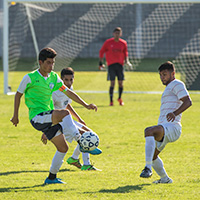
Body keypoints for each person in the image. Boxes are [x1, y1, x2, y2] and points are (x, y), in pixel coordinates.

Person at [10, 47, 102, 185]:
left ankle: (51, 178)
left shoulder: (53, 77)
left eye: (53, 63)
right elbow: (18, 94)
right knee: (64, 113)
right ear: (40, 62)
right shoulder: (30, 77)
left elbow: (69, 93)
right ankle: (81, 142)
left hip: (49, 117)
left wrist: (85, 105)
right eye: (48, 62)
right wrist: (15, 116)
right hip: (37, 116)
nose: (51, 66)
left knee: (63, 148)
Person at [140, 61, 192, 184]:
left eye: (164, 74)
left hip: (173, 127)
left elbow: (188, 102)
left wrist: (175, 113)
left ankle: (147, 168)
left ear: (172, 73)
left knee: (149, 131)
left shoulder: (176, 83)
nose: (162, 77)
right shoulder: (169, 87)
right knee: (152, 156)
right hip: (165, 127)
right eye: (160, 75)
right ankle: (165, 179)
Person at [41, 67, 100, 171]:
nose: (69, 82)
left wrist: (79, 118)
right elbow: (49, 111)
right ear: (61, 79)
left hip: (67, 118)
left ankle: (74, 159)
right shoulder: (55, 92)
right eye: (66, 80)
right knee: (84, 135)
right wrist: (46, 129)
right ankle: (86, 164)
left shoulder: (69, 89)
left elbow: (67, 105)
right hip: (58, 122)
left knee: (90, 132)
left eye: (71, 79)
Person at [99, 27, 132, 106]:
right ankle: (111, 101)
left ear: (120, 34)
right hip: (111, 65)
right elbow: (102, 51)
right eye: (116, 33)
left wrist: (127, 61)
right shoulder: (108, 42)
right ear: (113, 34)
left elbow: (125, 53)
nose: (117, 35)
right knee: (112, 83)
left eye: (118, 33)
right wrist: (100, 63)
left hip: (120, 65)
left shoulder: (123, 43)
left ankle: (119, 98)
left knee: (120, 83)